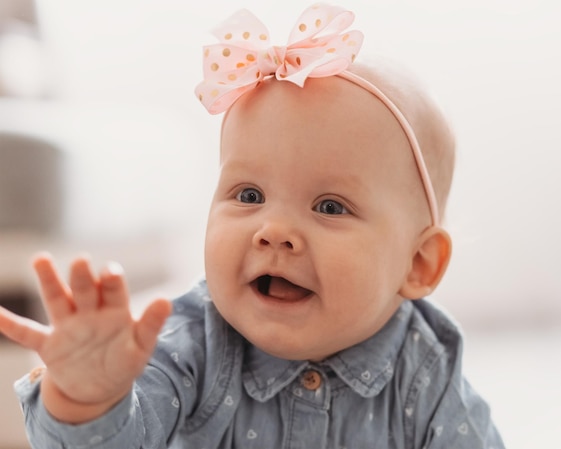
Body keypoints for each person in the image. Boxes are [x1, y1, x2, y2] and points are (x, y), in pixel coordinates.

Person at [0, 4, 505, 448]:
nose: (274, 230)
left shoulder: (426, 372)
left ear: (418, 264)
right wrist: (90, 398)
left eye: (330, 207)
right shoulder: (190, 343)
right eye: (249, 196)